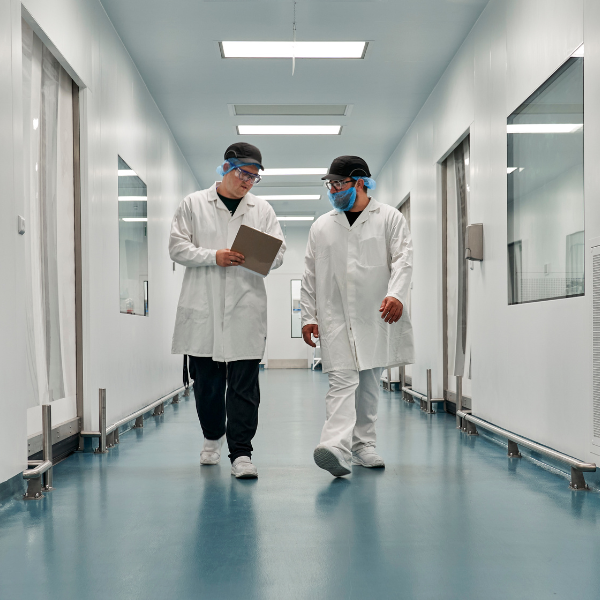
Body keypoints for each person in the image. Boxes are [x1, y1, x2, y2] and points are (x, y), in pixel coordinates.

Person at [169, 142, 286, 479]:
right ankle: (211, 438)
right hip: (202, 311)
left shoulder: (261, 209)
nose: (249, 181)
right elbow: (177, 247)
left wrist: (255, 255)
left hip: (245, 310)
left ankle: (241, 453)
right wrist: (213, 256)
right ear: (226, 167)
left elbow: (278, 254)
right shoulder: (193, 204)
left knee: (244, 388)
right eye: (243, 173)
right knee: (206, 385)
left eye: (254, 176)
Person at [301, 155, 414, 477]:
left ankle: (364, 446)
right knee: (342, 380)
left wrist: (396, 295)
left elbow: (403, 259)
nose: (333, 190)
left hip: (375, 313)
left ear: (361, 182)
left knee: (368, 383)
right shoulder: (322, 226)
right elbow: (309, 274)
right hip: (334, 317)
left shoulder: (389, 218)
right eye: (330, 184)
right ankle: (335, 445)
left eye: (339, 183)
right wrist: (308, 315)